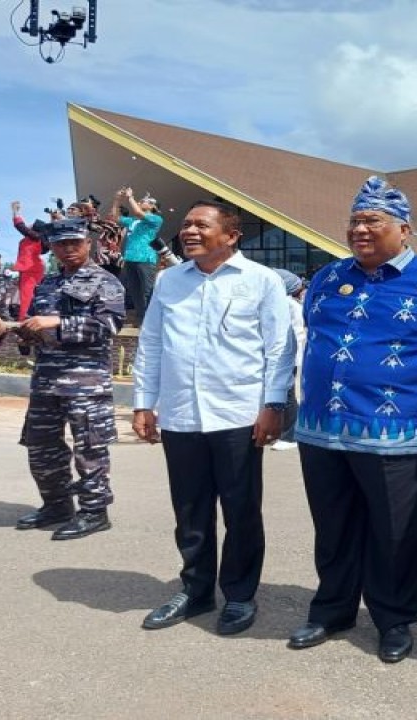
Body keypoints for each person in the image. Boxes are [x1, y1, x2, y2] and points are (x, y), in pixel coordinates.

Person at [289, 176, 417, 663]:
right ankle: (332, 609)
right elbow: (313, 329)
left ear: (403, 230)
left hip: (398, 434)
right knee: (333, 525)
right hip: (323, 428)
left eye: (372, 221)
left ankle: (394, 618)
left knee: (398, 531)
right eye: (355, 220)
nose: (360, 229)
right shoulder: (328, 278)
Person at [132, 200, 294, 636]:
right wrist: (144, 403)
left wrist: (273, 405)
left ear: (231, 235)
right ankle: (196, 589)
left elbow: (280, 348)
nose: (188, 231)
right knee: (190, 510)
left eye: (200, 225)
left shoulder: (260, 281)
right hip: (182, 415)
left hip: (238, 415)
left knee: (240, 511)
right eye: (185, 225)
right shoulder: (169, 282)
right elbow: (150, 345)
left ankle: (239, 595)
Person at [0, 219, 126, 541]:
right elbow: (38, 328)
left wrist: (57, 321)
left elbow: (108, 325)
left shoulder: (105, 281)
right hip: (47, 378)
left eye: (75, 242)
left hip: (85, 381)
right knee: (40, 445)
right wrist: (22, 333)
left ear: (88, 243)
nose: (68, 249)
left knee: (89, 448)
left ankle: (94, 511)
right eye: (61, 244)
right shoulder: (47, 283)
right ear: (51, 246)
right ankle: (56, 504)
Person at [109, 188, 163, 322]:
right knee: (135, 292)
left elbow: (138, 212)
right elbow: (115, 218)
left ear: (152, 206)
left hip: (145, 258)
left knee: (147, 290)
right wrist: (117, 200)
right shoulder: (133, 220)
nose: (139, 202)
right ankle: (142, 320)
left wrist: (130, 197)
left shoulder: (156, 219)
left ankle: (154, 320)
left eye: (143, 201)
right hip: (130, 258)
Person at [271, 268, 305, 451]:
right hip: (272, 356)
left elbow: (296, 333)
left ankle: (291, 435)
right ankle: (279, 431)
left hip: (287, 356)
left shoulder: (289, 304)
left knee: (287, 395)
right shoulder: (275, 301)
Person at [11, 200, 50, 322]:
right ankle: (27, 318)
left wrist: (15, 211)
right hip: (31, 268)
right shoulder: (33, 238)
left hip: (30, 269)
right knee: (27, 294)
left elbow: (19, 226)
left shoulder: (35, 237)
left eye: (31, 224)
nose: (29, 225)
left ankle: (24, 320)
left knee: (26, 295)